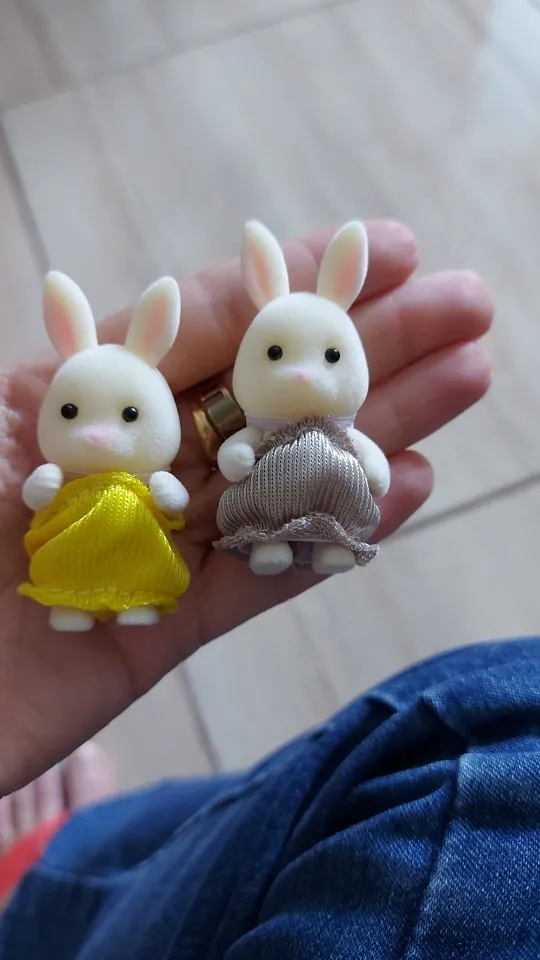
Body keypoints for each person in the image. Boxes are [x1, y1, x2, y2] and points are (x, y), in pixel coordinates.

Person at [1, 220, 531, 958]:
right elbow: (178, 476)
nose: (96, 435)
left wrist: (355, 462)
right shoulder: (104, 467)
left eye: (127, 417)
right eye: (278, 355)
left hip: (307, 485)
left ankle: (50, 874)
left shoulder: (322, 428)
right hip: (96, 525)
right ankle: (57, 870)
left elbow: (346, 461)